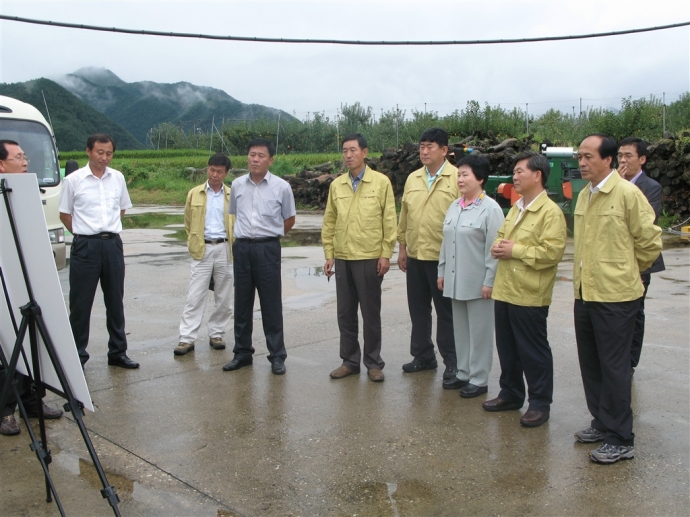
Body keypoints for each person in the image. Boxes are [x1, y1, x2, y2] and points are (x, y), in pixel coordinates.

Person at [573, 134, 662, 464]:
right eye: (579, 156)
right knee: (591, 363)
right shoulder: (585, 195)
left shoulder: (627, 194)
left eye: (588, 157)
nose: (582, 162)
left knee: (615, 367)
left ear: (608, 160)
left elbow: (650, 241)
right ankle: (601, 423)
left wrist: (630, 270)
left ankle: (621, 438)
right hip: (586, 293)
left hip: (616, 296)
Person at [483, 151, 567, 428]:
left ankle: (540, 403)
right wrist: (498, 246)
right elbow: (502, 237)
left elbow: (551, 253)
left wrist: (514, 249)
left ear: (537, 175)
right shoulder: (518, 208)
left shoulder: (550, 213)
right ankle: (511, 393)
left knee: (533, 351)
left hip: (530, 294)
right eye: (514, 171)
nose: (514, 177)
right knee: (507, 348)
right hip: (506, 290)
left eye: (520, 171)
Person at [59, 134, 139, 369]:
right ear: (88, 151)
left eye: (109, 153)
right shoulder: (74, 180)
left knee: (115, 300)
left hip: (112, 244)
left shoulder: (118, 178)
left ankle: (118, 352)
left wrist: (106, 232)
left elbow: (122, 209)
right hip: (86, 246)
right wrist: (83, 234)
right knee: (81, 303)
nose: (104, 157)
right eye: (100, 152)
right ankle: (76, 356)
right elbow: (65, 213)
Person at [0, 140, 63, 436]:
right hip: (5, 283)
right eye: (19, 157)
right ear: (2, 164)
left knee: (31, 342)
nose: (26, 162)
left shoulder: (25, 193)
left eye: (26, 156)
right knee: (8, 348)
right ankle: (7, 411)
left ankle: (32, 400)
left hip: (28, 279)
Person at [322, 134, 397, 382]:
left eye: (353, 150)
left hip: (369, 257)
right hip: (343, 257)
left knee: (370, 313)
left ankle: (373, 363)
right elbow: (329, 221)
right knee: (345, 313)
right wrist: (329, 254)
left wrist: (386, 254)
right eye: (344, 151)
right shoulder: (337, 185)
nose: (348, 155)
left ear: (364, 152)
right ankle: (350, 361)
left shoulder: (381, 182)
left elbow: (389, 220)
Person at [223, 138, 296, 375]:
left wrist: (270, 237)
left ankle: (277, 356)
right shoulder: (236, 185)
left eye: (261, 155)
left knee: (271, 304)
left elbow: (289, 219)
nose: (255, 159)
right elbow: (235, 214)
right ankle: (242, 353)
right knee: (242, 303)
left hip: (267, 249)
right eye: (252, 154)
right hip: (242, 248)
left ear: (270, 160)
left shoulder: (281, 187)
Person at [437, 154, 504, 398]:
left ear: (481, 178)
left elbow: (494, 249)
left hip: (478, 283)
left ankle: (479, 378)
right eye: (459, 174)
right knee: (461, 330)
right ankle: (463, 373)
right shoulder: (455, 206)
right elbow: (446, 242)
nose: (460, 179)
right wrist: (442, 271)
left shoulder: (490, 209)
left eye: (465, 174)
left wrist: (489, 281)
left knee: (480, 332)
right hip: (455, 280)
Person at [397, 128, 459, 381]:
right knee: (418, 310)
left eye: (430, 146)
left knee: (447, 313)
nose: (424, 151)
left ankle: (453, 363)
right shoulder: (413, 178)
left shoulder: (457, 178)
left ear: (444, 150)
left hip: (444, 258)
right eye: (422, 146)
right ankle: (423, 356)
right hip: (416, 256)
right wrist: (402, 247)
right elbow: (405, 215)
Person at [174, 153, 235, 356]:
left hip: (226, 248)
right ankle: (186, 338)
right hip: (203, 247)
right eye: (211, 169)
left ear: (226, 173)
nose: (214, 174)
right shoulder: (195, 193)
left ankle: (216, 334)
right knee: (195, 295)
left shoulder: (232, 194)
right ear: (207, 169)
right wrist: (194, 242)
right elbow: (188, 222)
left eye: (219, 171)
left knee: (224, 295)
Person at [616, 137, 665, 375]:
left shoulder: (651, 187)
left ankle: (630, 362)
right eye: (620, 156)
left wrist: (623, 185)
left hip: (640, 262)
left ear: (642, 160)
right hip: (616, 261)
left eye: (628, 156)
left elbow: (647, 222)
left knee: (635, 312)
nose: (623, 160)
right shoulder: (611, 184)